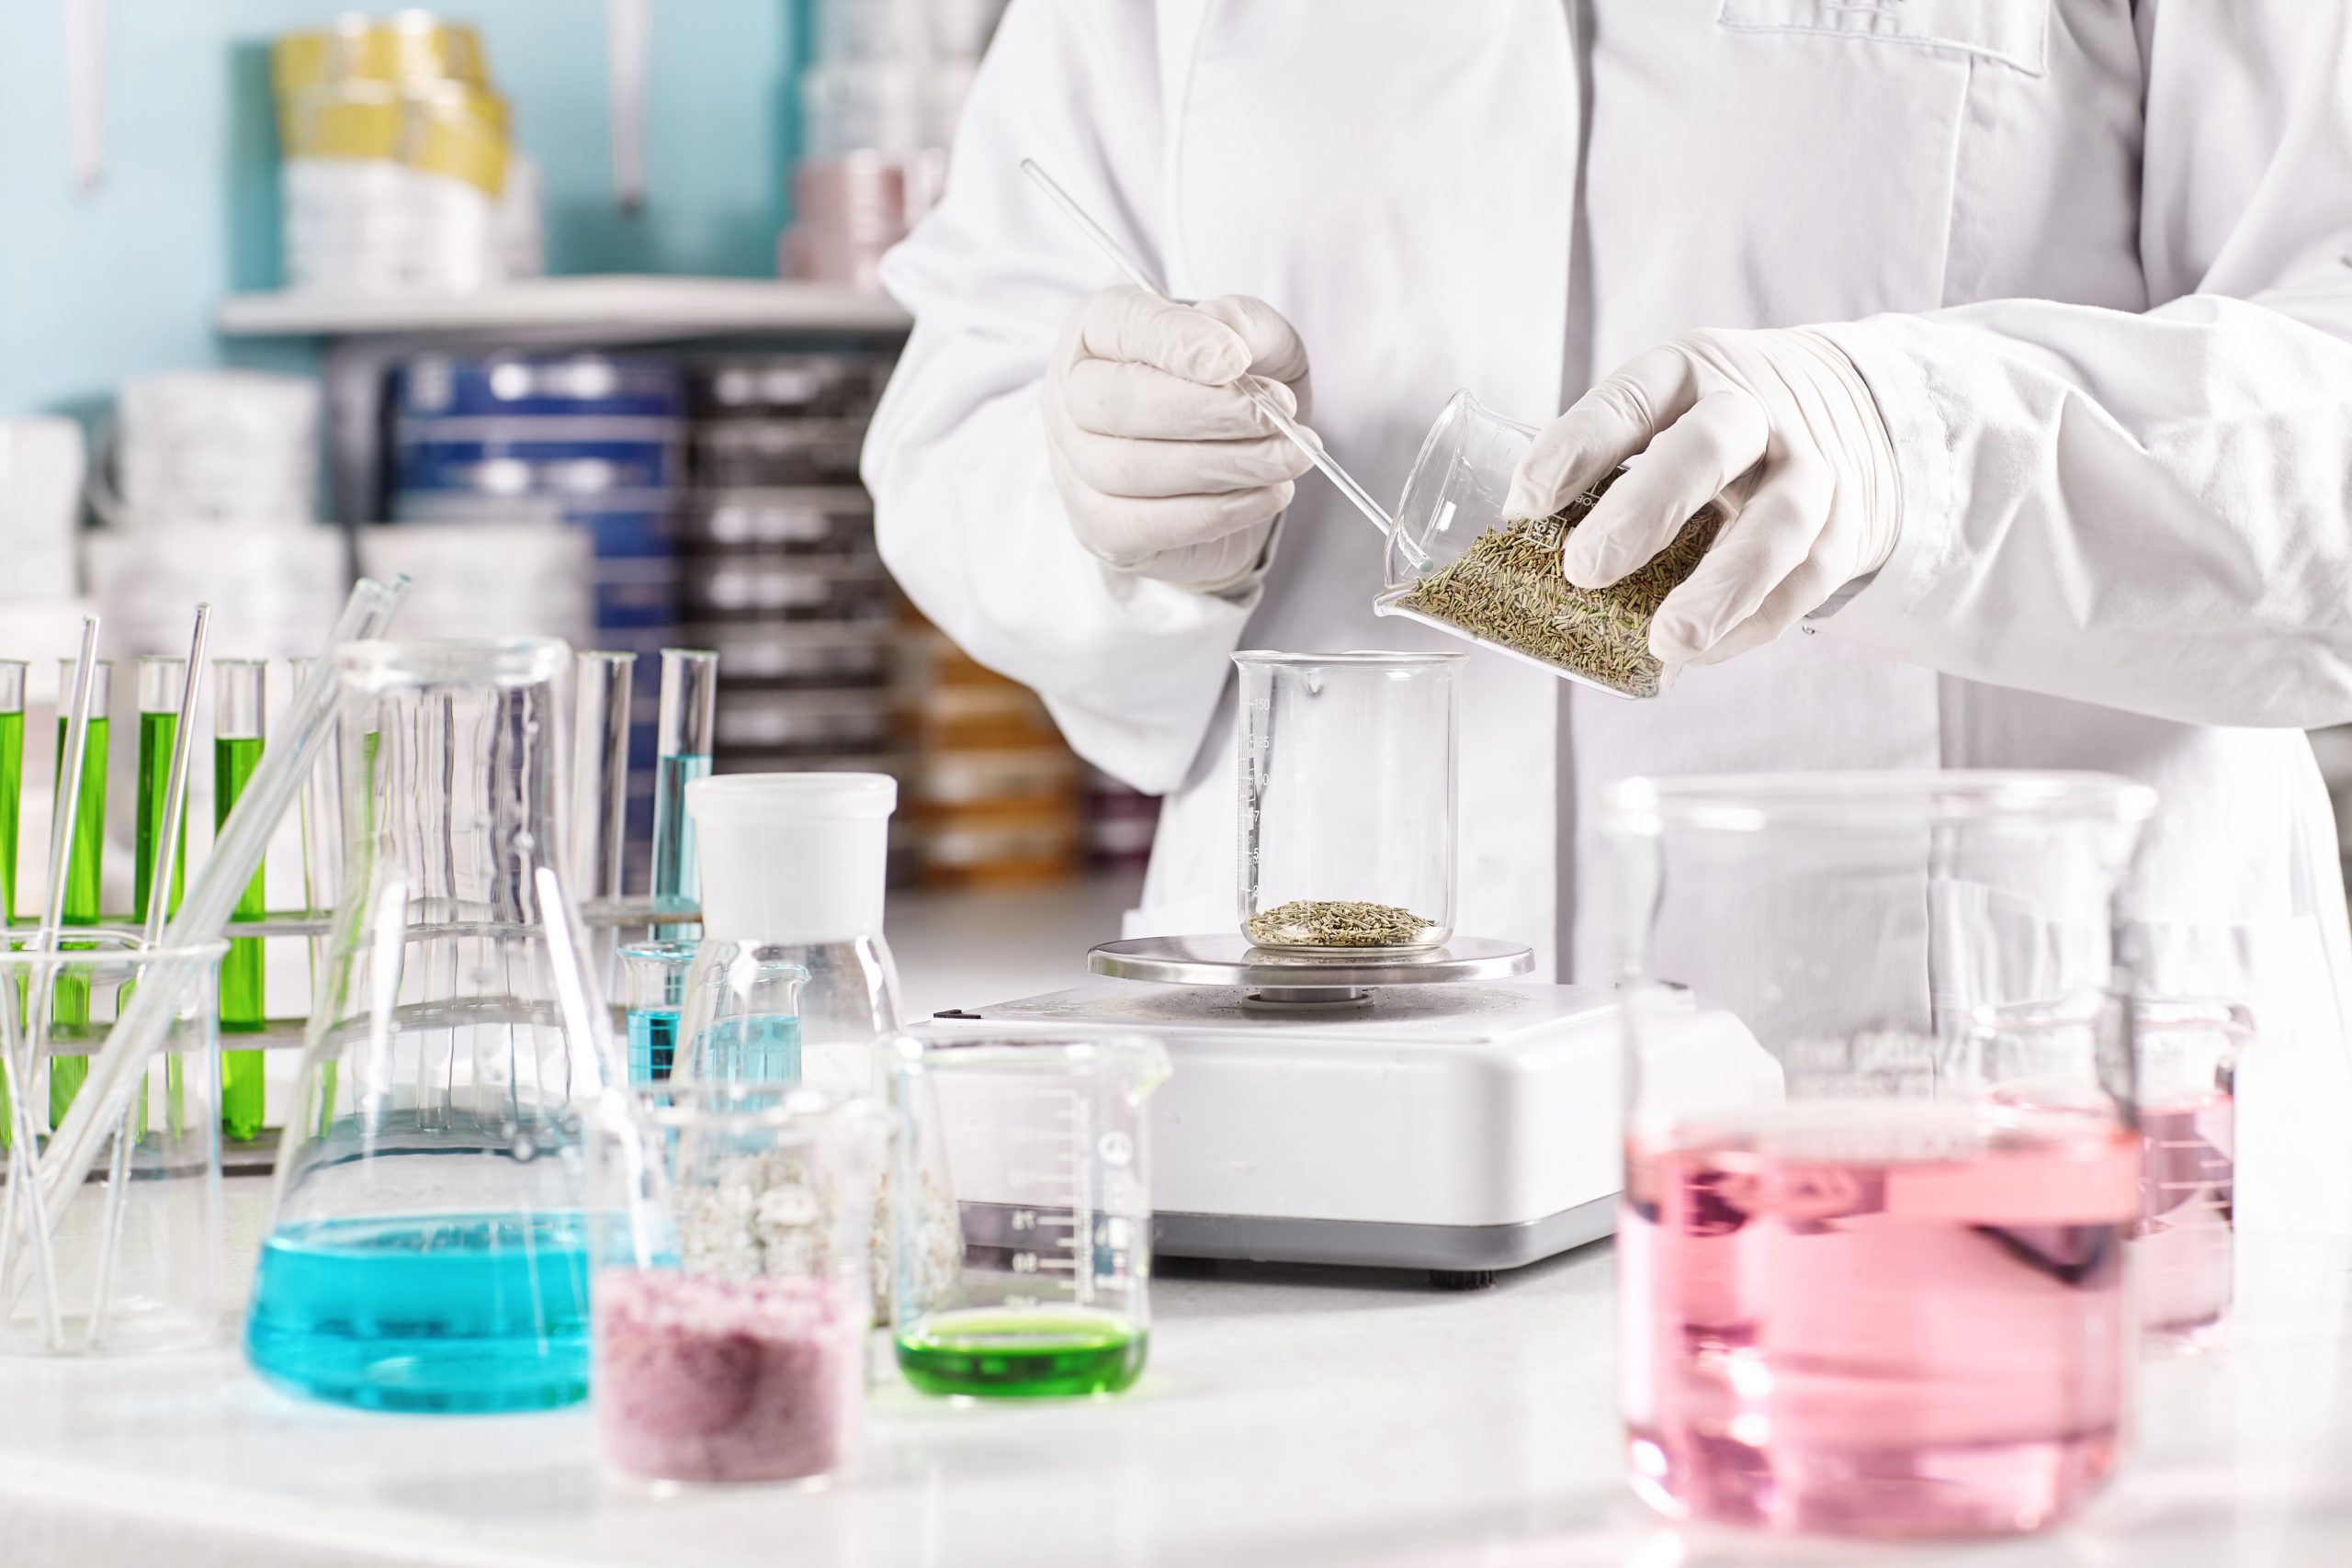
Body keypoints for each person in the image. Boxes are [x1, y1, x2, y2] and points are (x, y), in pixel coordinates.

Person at [863, 2, 2352, 1231]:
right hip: (1318, 1152)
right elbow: (974, 404)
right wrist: (1112, 502)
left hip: (2000, 1125)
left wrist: (1913, 443)